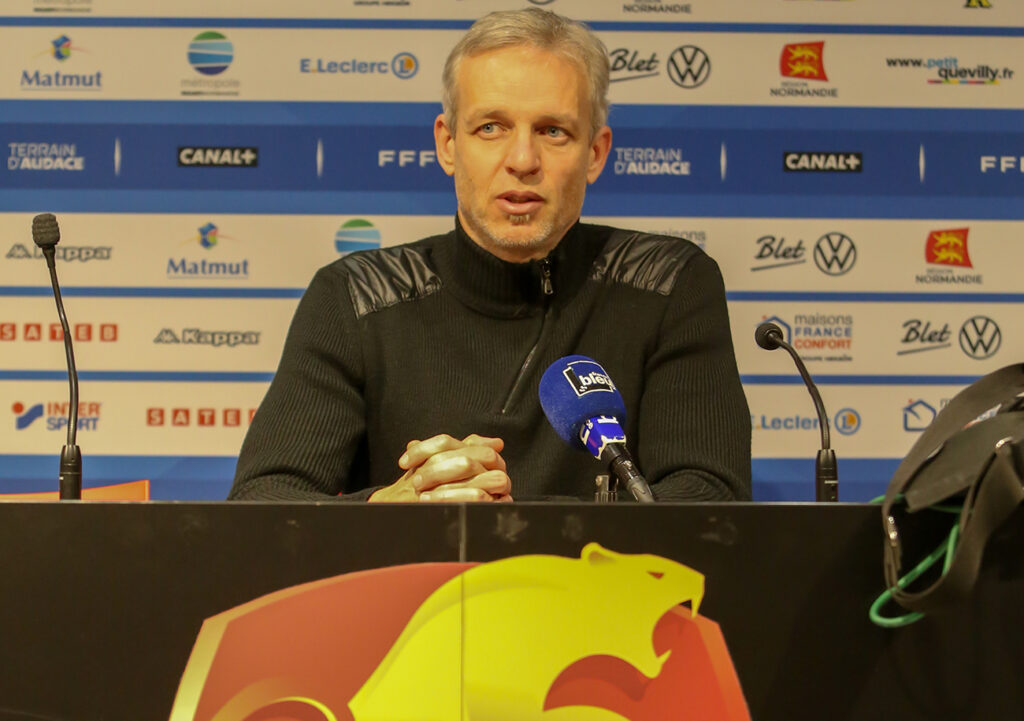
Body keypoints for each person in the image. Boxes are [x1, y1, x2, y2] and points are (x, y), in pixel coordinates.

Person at [228, 8, 751, 503]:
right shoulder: (355, 295)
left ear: (595, 152)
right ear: (448, 144)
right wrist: (393, 506)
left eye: (552, 131)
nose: (522, 160)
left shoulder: (668, 283)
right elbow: (261, 502)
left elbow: (711, 500)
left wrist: (509, 520)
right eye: (491, 128)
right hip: (413, 598)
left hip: (598, 595)